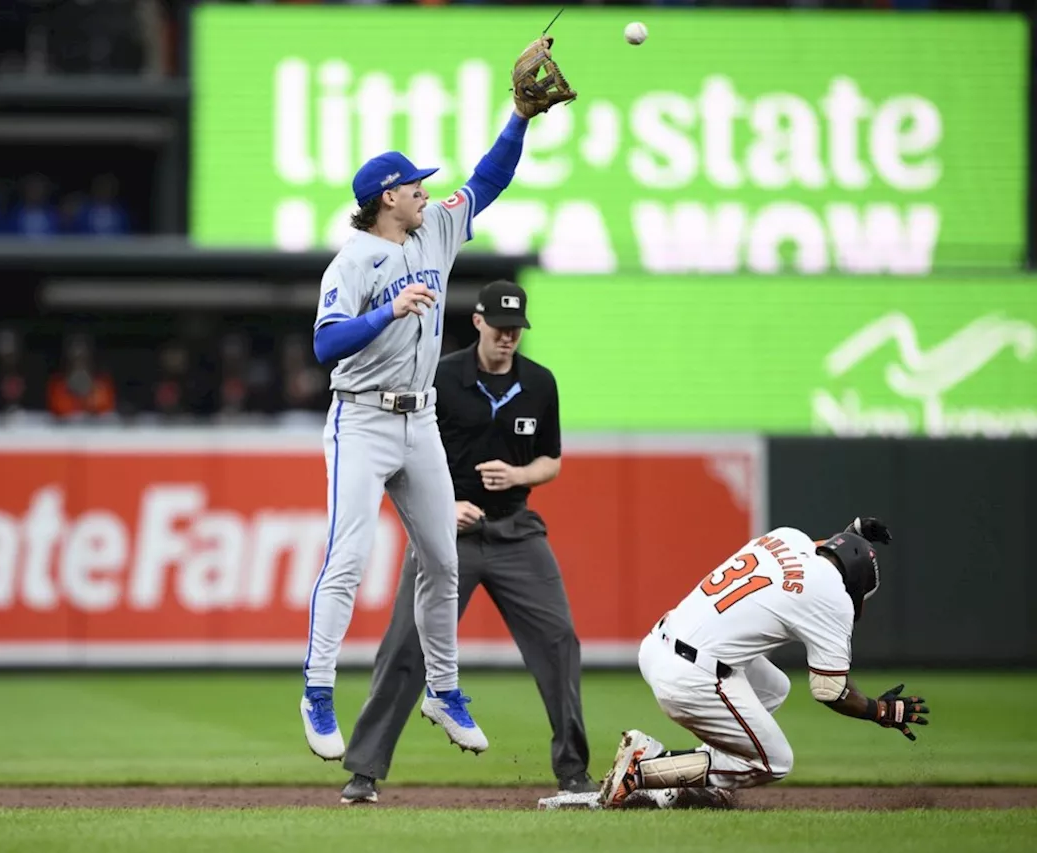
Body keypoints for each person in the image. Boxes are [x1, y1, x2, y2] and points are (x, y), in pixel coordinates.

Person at [300, 39, 563, 762]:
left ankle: (444, 691)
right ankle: (318, 687)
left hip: (418, 421)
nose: (426, 191)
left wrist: (519, 118)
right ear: (388, 197)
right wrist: (388, 312)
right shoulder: (352, 261)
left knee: (443, 559)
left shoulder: (438, 229)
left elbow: (488, 180)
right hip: (360, 416)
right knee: (347, 559)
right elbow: (324, 347)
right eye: (415, 186)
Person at [338, 280, 594, 805]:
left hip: (516, 532)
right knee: (406, 648)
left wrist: (521, 475)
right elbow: (398, 453)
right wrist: (441, 506)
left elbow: (553, 460)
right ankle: (364, 772)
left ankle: (573, 772)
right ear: (477, 321)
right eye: (499, 327)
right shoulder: (440, 377)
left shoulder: (540, 383)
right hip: (445, 535)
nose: (507, 337)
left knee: (560, 642)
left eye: (515, 329)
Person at [595, 518, 929, 810]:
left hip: (658, 645)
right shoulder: (835, 599)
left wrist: (851, 534)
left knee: (774, 688)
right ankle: (643, 769)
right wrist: (879, 711)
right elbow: (830, 690)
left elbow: (826, 551)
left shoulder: (788, 537)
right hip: (690, 677)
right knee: (774, 762)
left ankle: (706, 780)